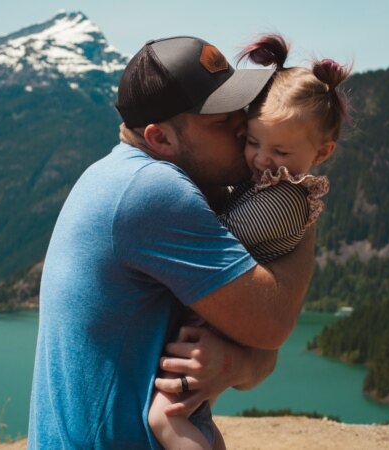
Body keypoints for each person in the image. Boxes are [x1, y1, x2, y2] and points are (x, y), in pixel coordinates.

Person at [27, 35, 317, 449]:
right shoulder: (152, 191)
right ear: (160, 138)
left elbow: (259, 348)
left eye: (240, 109)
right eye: (221, 120)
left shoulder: (117, 173)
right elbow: (271, 322)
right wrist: (301, 194)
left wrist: (236, 363)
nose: (243, 127)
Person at [147, 34, 352, 450]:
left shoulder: (284, 199)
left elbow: (220, 236)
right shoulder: (274, 182)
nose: (260, 159)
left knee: (165, 417)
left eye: (278, 150)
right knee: (193, 414)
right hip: (224, 314)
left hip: (218, 319)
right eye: (252, 142)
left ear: (323, 151)